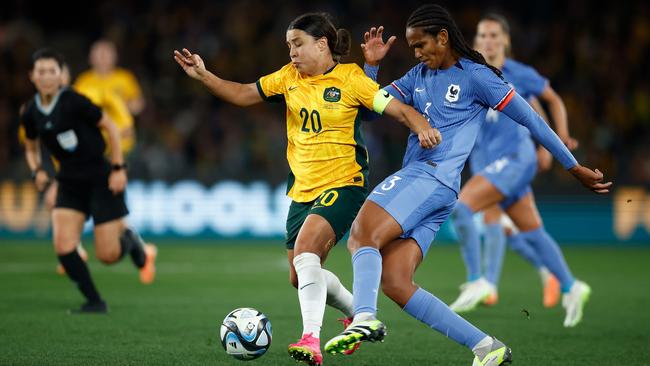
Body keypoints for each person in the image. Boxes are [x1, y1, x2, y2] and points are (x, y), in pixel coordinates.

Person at [324, 5, 611, 366]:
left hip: (432, 176)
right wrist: (371, 68)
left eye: (420, 44)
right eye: (412, 47)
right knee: (397, 282)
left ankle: (364, 317)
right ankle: (486, 347)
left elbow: (532, 120)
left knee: (362, 233)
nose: (416, 53)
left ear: (443, 37)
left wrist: (573, 166)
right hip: (438, 191)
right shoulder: (417, 76)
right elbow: (367, 110)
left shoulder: (478, 77)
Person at [174, 12, 440, 366]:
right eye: (288, 46)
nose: (292, 53)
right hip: (302, 190)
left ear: (322, 44)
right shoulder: (288, 78)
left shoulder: (351, 78)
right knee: (300, 276)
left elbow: (395, 108)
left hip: (344, 184)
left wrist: (421, 124)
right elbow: (241, 94)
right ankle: (357, 316)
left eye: (297, 44)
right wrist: (204, 76)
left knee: (305, 250)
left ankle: (310, 339)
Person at [448, 13, 587, 319]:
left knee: (462, 208)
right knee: (531, 231)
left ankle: (479, 281)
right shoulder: (469, 73)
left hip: (514, 157)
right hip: (486, 161)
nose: (488, 41)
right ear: (474, 42)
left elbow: (546, 101)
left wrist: (555, 141)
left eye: (495, 35)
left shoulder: (518, 73)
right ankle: (571, 285)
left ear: (506, 41)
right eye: (483, 36)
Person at [21, 48, 157, 314]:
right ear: (32, 76)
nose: (47, 76)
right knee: (63, 246)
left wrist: (118, 168)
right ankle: (95, 302)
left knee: (107, 256)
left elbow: (111, 127)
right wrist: (36, 170)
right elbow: (30, 145)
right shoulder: (30, 112)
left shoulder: (74, 100)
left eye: (52, 71)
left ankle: (130, 240)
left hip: (99, 177)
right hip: (69, 181)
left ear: (61, 75)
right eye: (41, 71)